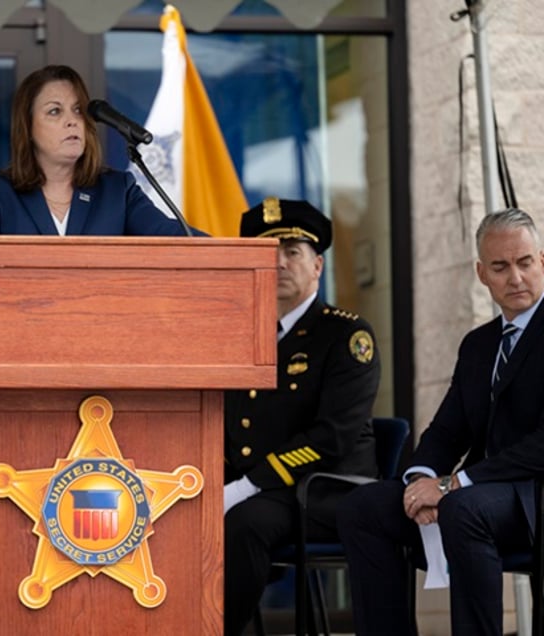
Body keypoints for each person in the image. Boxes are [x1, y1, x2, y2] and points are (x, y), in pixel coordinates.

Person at [337, 207, 544, 635]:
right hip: (485, 494)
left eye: (525, 263)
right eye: (501, 267)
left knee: (464, 509)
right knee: (366, 506)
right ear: (481, 272)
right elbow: (449, 429)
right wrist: (421, 479)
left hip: (532, 493)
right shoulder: (479, 344)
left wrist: (453, 484)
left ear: (542, 261)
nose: (516, 278)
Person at [224, 197, 381, 635]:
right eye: (267, 253)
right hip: (259, 488)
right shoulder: (242, 336)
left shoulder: (346, 335)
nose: (279, 263)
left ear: (318, 267)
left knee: (243, 524)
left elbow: (334, 437)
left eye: (292, 252)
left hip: (325, 489)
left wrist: (247, 485)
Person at [0, 64, 201, 237]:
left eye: (78, 110)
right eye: (55, 111)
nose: (72, 121)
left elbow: (173, 237)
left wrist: (235, 251)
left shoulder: (118, 191)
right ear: (27, 128)